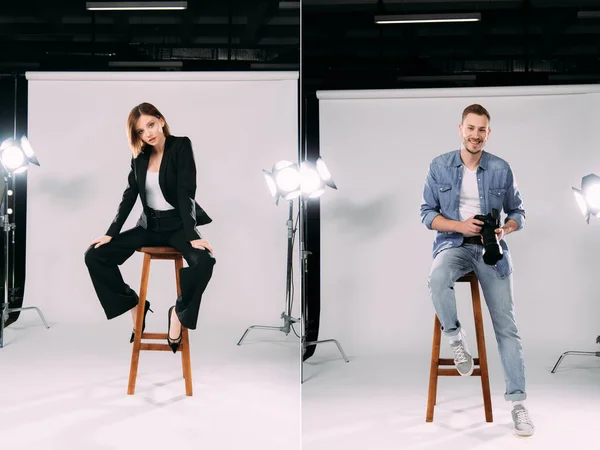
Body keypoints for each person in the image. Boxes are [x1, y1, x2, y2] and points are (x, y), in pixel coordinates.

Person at [420, 104, 534, 437]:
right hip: (453, 246)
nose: (475, 135)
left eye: (481, 130)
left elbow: (518, 213)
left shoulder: (501, 168)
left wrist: (504, 230)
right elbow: (428, 215)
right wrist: (461, 226)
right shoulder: (440, 166)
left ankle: (518, 405)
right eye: (470, 128)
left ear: (488, 132)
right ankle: (456, 337)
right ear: (460, 129)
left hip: (491, 250)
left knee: (507, 327)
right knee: (437, 277)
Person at [84, 102, 215, 353]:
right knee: (94, 255)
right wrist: (111, 233)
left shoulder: (181, 146)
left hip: (178, 227)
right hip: (149, 226)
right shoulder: (140, 156)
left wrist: (191, 234)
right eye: (141, 131)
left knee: (205, 261)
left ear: (161, 120)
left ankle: (178, 313)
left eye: (151, 125)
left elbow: (186, 191)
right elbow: (130, 195)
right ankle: (136, 305)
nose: (148, 134)